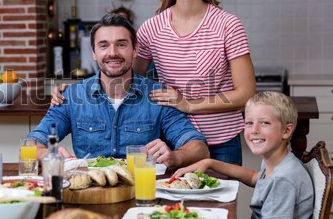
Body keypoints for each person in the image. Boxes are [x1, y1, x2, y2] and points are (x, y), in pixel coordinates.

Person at [52, 0, 255, 166]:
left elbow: (246, 93)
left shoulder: (228, 25)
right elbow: (125, 79)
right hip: (170, 142)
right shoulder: (152, 28)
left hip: (221, 142)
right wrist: (76, 91)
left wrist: (188, 104)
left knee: (220, 201)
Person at [29, 13, 209, 168]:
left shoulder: (159, 96)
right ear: (94, 52)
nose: (113, 53)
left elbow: (199, 149)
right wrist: (50, 156)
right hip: (89, 192)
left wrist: (175, 156)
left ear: (135, 50)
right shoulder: (71, 97)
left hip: (141, 192)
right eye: (104, 45)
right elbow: (30, 146)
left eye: (121, 44)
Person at [173, 92, 314, 219]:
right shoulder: (278, 163)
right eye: (249, 123)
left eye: (264, 123)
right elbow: (254, 177)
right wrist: (210, 163)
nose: (254, 130)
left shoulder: (282, 180)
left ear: (287, 130)